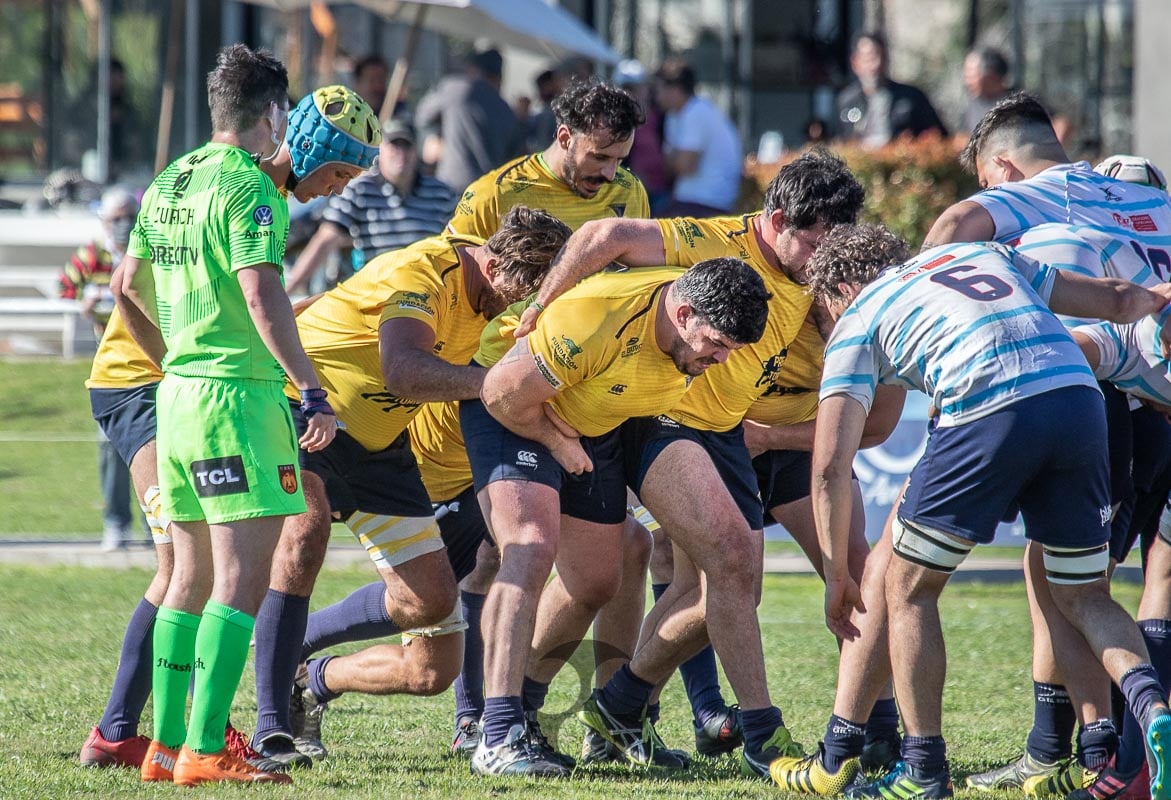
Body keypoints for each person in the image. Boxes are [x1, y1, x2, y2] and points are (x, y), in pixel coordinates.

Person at [512, 151, 901, 777]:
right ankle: (757, 732)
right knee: (715, 562)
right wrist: (538, 309)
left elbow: (878, 421)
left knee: (722, 588)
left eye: (837, 241)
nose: (824, 255)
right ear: (776, 219)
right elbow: (604, 235)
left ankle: (615, 707)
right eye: (814, 238)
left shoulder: (831, 278)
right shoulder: (718, 240)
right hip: (664, 417)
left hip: (731, 433)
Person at [790, 223, 1171, 800]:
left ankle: (923, 773)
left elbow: (827, 468)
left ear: (839, 287)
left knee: (908, 587)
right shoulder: (978, 253)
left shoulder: (858, 315)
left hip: (988, 402)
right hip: (1079, 397)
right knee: (1084, 595)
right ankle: (1147, 719)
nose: (825, 324)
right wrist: (1159, 297)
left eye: (822, 310)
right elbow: (1118, 300)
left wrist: (836, 577)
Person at [80, 79, 384, 776]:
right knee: (240, 578)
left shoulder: (172, 178)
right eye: (338, 171)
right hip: (236, 404)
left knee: (188, 575)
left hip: (180, 399)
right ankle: (208, 749)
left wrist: (177, 366)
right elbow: (260, 290)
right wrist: (310, 391)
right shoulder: (253, 190)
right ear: (297, 136)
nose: (336, 189)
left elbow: (125, 287)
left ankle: (164, 745)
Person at [247, 206, 571, 766]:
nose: (514, 307)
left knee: (431, 603)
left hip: (381, 445)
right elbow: (402, 370)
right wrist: (496, 387)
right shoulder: (426, 273)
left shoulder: (487, 278)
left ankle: (306, 665)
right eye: (518, 293)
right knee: (305, 531)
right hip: (301, 414)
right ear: (496, 265)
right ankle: (271, 729)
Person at [463, 256, 770, 777]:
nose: (720, 359)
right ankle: (495, 731)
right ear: (684, 313)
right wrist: (558, 444)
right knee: (530, 547)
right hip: (517, 411)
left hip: (595, 421)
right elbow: (498, 392)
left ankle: (530, 713)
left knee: (599, 579)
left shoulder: (695, 339)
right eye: (715, 345)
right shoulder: (597, 318)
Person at [448, 79, 649, 238]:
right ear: (564, 138)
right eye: (599, 157)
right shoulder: (493, 196)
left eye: (619, 160)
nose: (610, 174)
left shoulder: (629, 191)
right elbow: (446, 271)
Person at [283, 117, 457, 294]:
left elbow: (458, 244)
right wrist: (288, 290)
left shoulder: (441, 193)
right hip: (379, 295)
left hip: (428, 292)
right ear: (380, 150)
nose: (401, 153)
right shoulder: (359, 188)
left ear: (415, 150)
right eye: (394, 145)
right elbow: (326, 239)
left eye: (406, 145)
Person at [60, 187, 143, 551]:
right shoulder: (91, 255)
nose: (124, 224)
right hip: (108, 360)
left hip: (151, 355)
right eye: (116, 218)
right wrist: (84, 301)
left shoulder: (152, 250)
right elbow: (63, 290)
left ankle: (158, 527)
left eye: (130, 215)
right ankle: (117, 523)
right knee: (110, 445)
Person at [415, 47, 525, 193]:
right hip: (488, 192)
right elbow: (515, 158)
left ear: (474, 69)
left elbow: (421, 116)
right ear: (499, 77)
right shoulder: (507, 112)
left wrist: (435, 135)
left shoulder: (456, 89)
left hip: (450, 188)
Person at [654, 58, 743, 216]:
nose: (657, 97)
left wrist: (672, 158)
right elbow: (671, 166)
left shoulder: (696, 113)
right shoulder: (676, 115)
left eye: (659, 90)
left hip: (707, 204)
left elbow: (685, 166)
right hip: (691, 201)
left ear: (675, 90)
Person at [835, 31, 947, 148]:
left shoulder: (911, 98)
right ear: (855, 62)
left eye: (881, 57)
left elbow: (939, 137)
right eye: (869, 58)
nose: (876, 64)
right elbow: (838, 144)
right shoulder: (846, 101)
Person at [612, 59, 672, 214]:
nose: (629, 94)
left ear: (646, 88)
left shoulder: (664, 117)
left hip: (662, 194)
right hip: (626, 192)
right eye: (625, 88)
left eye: (634, 88)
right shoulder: (611, 123)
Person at [961, 47, 1011, 134]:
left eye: (971, 75)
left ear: (991, 75)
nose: (967, 82)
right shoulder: (970, 106)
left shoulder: (1020, 105)